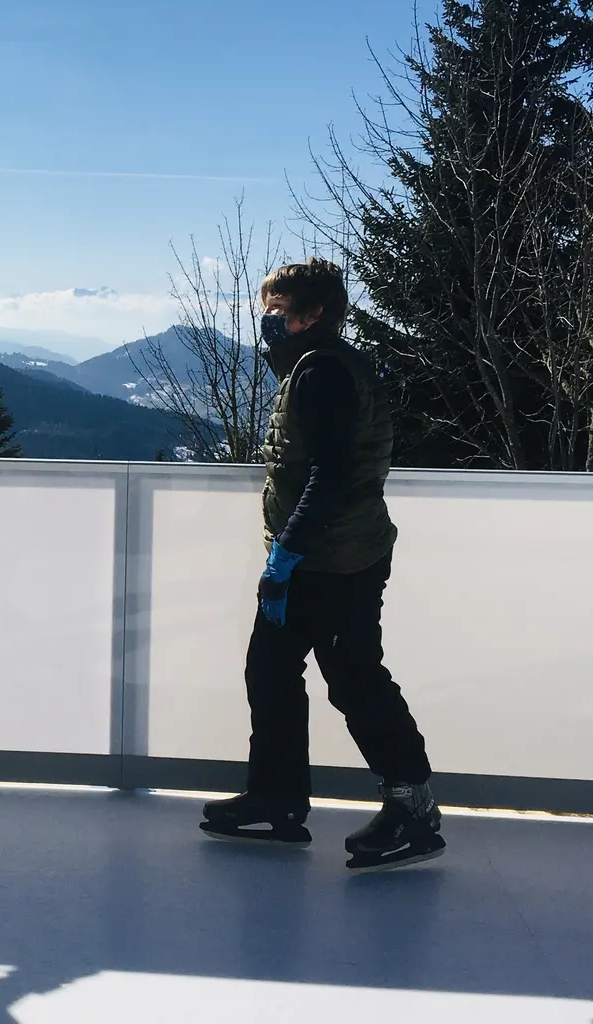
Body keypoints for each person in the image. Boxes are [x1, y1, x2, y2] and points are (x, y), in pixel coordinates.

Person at [198, 260, 444, 874]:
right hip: (327, 551)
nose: (267, 322)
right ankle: (277, 799)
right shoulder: (319, 366)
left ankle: (412, 808)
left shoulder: (323, 374)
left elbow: (329, 474)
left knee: (356, 679)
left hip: (335, 560)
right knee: (272, 671)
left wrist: (287, 556)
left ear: (313, 317)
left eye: (278, 312)